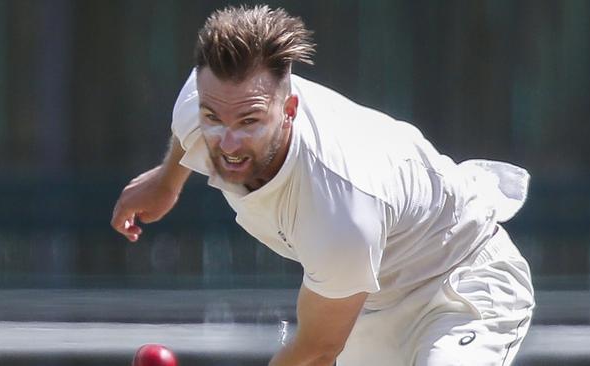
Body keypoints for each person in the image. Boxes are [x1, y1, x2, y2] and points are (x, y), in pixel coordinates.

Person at [111, 5, 534, 366]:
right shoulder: (203, 102)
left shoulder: (341, 204)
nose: (228, 142)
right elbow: (192, 131)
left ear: (290, 108)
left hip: (460, 284)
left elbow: (316, 350)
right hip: (364, 304)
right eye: (213, 118)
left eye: (250, 122)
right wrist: (166, 183)